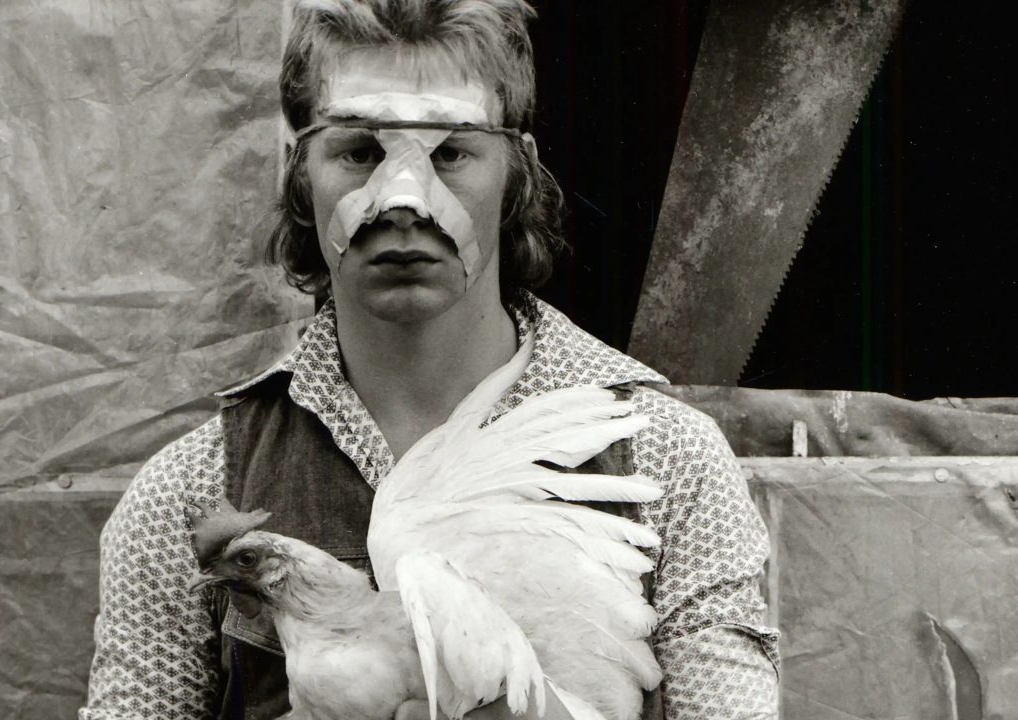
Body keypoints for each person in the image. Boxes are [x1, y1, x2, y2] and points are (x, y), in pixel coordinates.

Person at [81, 1, 779, 718]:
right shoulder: (190, 488)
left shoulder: (668, 460)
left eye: (450, 152)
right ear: (301, 175)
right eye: (358, 151)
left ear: (517, 172)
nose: (403, 202)